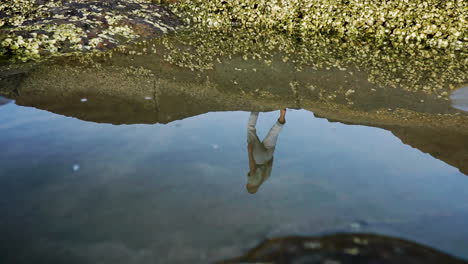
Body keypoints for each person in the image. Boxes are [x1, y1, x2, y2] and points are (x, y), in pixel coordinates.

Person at [246, 109, 286, 194]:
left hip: (268, 156)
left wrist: (270, 153)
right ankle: (255, 108)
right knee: (250, 129)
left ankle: (282, 115)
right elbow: (252, 168)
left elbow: (271, 163)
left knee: (273, 133)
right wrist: (250, 151)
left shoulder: (265, 178)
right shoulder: (252, 182)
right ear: (250, 186)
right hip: (258, 159)